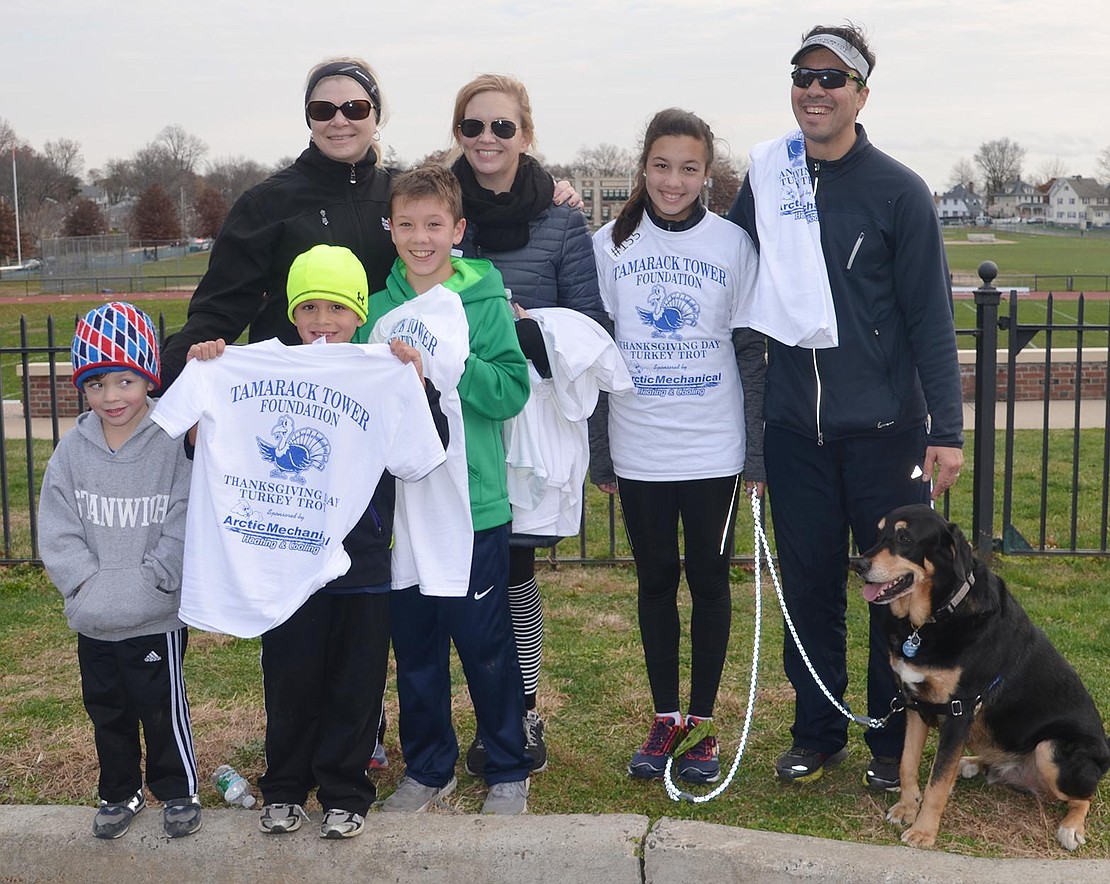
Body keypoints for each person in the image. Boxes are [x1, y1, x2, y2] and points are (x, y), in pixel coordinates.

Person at [726, 23, 964, 790]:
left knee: (889, 595)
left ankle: (889, 744)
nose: (815, 90)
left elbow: (930, 316)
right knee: (809, 584)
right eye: (804, 76)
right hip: (797, 429)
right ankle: (816, 730)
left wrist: (946, 429)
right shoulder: (767, 177)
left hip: (884, 431)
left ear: (862, 92)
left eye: (833, 78)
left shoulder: (898, 190)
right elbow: (718, 261)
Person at [154, 244, 448, 839]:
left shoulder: (381, 369)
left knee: (356, 683)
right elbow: (193, 439)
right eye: (309, 306)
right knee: (289, 680)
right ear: (292, 313)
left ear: (359, 313)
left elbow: (423, 453)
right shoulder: (253, 371)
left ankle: (346, 792)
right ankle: (284, 787)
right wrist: (205, 365)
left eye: (337, 308)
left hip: (360, 561)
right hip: (283, 558)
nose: (322, 320)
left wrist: (417, 385)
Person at [592, 109, 766, 784]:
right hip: (641, 448)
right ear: (643, 168)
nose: (673, 180)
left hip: (713, 447)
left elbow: (750, 353)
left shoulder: (732, 246)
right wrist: (601, 450)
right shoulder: (610, 244)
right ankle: (665, 718)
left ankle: (702, 726)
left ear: (707, 174)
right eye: (661, 166)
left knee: (708, 580)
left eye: (688, 167)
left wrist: (755, 455)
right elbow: (598, 355)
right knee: (656, 580)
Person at [356, 165, 534, 815]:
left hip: (472, 506)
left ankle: (509, 765)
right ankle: (430, 767)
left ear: (458, 229)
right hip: (402, 514)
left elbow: (511, 391)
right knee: (418, 651)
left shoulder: (482, 301)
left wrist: (450, 368)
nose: (420, 238)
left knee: (485, 648)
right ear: (392, 230)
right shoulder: (375, 310)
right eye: (407, 225)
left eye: (434, 224)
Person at [449, 73, 607, 776]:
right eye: (474, 126)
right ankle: (478, 710)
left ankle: (521, 711)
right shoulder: (435, 207)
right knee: (450, 574)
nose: (488, 139)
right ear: (458, 132)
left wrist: (523, 329)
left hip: (522, 420)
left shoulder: (563, 219)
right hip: (448, 418)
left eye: (502, 127)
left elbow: (592, 326)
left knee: (511, 571)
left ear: (526, 133)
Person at [38, 302, 200, 840]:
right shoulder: (71, 452)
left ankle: (178, 790)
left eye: (126, 380)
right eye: (97, 384)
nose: (112, 397)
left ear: (147, 378)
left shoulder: (170, 441)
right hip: (95, 619)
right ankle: (119, 791)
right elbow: (58, 529)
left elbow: (184, 516)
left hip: (155, 615)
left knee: (161, 710)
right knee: (107, 711)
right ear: (82, 388)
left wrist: (157, 578)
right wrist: (85, 585)